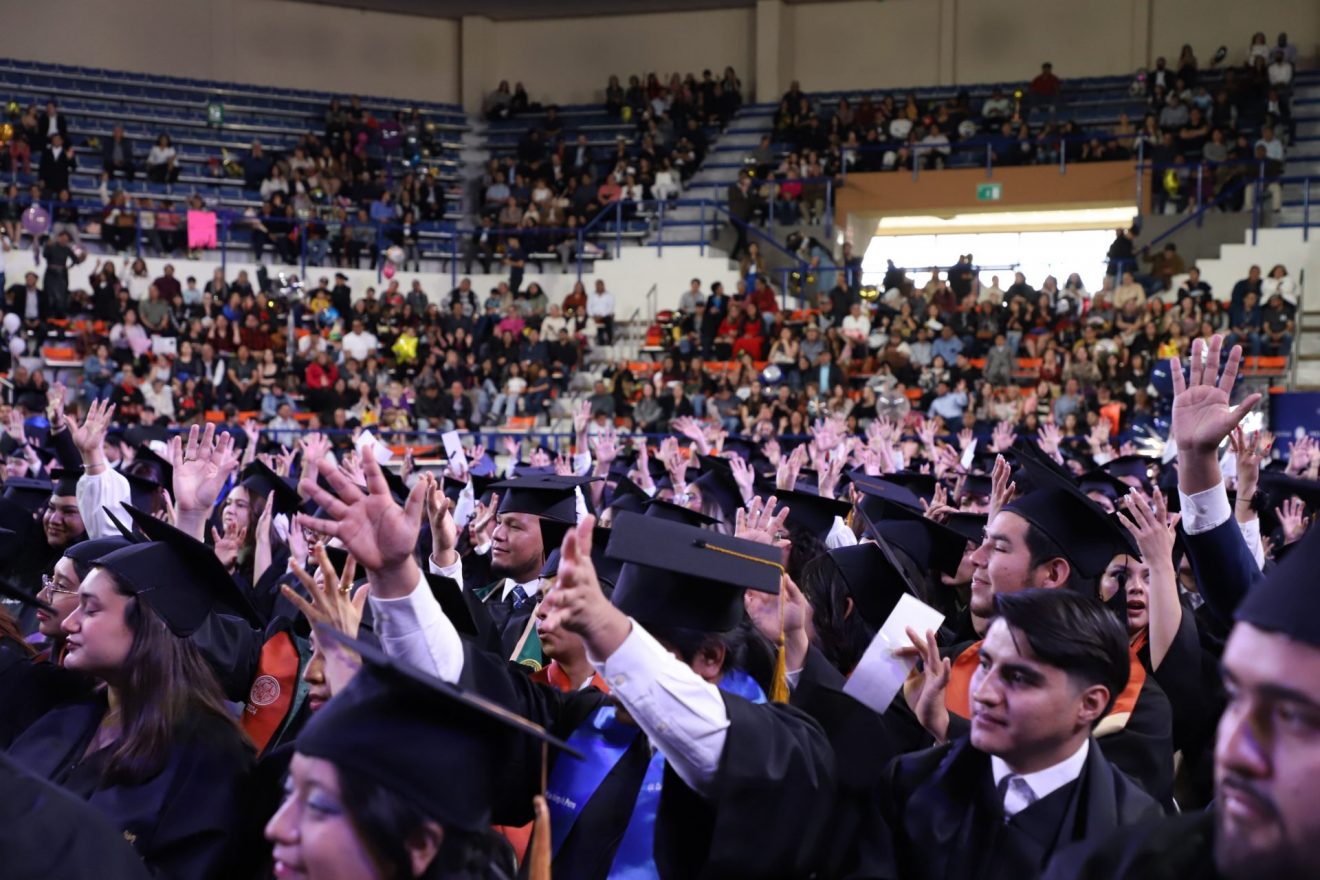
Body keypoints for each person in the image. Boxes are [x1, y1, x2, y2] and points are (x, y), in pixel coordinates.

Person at [295, 453, 838, 879]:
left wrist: (612, 632)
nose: (616, 667)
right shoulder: (586, 722)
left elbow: (715, 740)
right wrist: (397, 578)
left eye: (639, 646)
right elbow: (462, 685)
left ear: (711, 658)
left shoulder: (787, 744)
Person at [1048, 520, 1320, 879]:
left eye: (1291, 716)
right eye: (1234, 698)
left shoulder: (1162, 686)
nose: (1232, 750)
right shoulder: (1123, 867)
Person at [3, 506, 257, 877]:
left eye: (90, 610)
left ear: (149, 624)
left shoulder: (212, 756)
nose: (70, 622)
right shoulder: (64, 716)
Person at [888, 589, 1161, 880]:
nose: (982, 693)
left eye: (1017, 678)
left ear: (1089, 704)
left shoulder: (1135, 837)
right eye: (985, 665)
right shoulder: (909, 782)